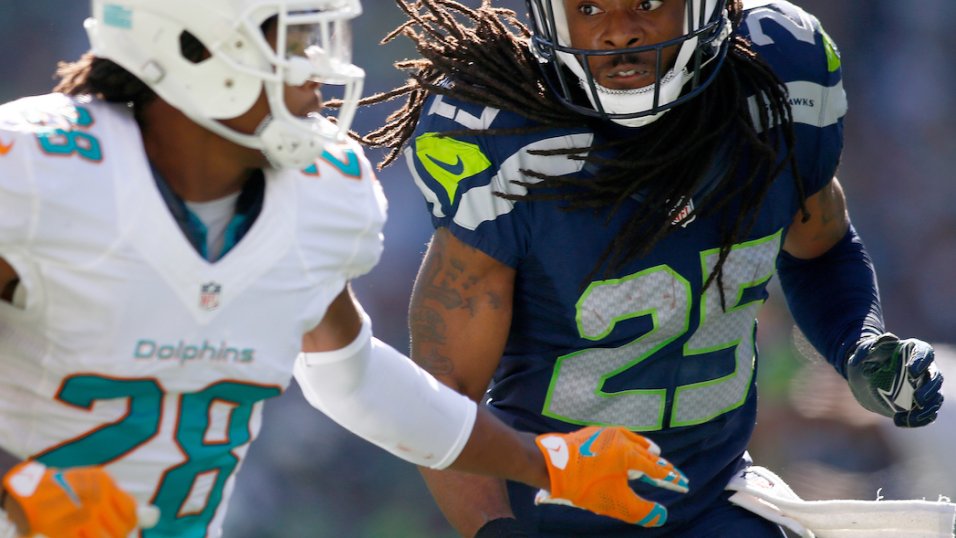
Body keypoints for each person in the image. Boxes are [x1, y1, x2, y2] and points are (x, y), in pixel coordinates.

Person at [0, 0, 693, 537]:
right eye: (295, 40)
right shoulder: (37, 172)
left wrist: (546, 463)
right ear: (195, 50)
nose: (318, 67)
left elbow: (351, 377)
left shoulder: (318, 194)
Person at [360, 0, 947, 536]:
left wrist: (858, 345)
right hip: (550, 510)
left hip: (713, 498)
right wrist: (493, 529)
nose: (618, 31)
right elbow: (444, 392)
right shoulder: (506, 145)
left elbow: (820, 244)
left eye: (647, 3)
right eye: (588, 7)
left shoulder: (775, 86)